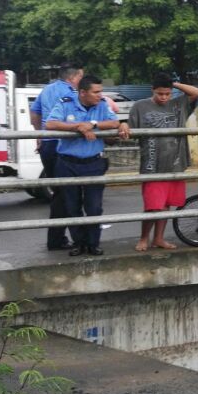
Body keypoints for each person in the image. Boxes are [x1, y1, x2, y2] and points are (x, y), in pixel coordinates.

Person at [44, 74, 129, 257]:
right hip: (67, 163)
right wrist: (77, 127)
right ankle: (79, 243)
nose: (100, 95)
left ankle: (93, 244)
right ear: (82, 92)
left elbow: (114, 122)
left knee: (94, 207)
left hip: (93, 163)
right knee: (71, 206)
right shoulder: (66, 102)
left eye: (101, 91)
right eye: (96, 92)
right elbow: (50, 124)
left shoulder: (102, 104)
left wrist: (92, 124)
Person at [128, 73, 198, 251]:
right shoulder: (140, 106)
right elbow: (129, 129)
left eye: (167, 94)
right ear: (153, 90)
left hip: (175, 163)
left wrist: (173, 83)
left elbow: (196, 92)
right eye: (160, 93)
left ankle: (158, 238)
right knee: (152, 206)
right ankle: (144, 238)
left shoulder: (179, 104)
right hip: (152, 164)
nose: (164, 97)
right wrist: (122, 127)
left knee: (166, 205)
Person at [29, 64, 83, 251]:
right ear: (73, 78)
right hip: (63, 145)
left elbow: (34, 113)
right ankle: (62, 238)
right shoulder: (73, 93)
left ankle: (59, 237)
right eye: (81, 77)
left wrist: (39, 134)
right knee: (66, 193)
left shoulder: (47, 89)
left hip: (47, 144)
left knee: (60, 192)